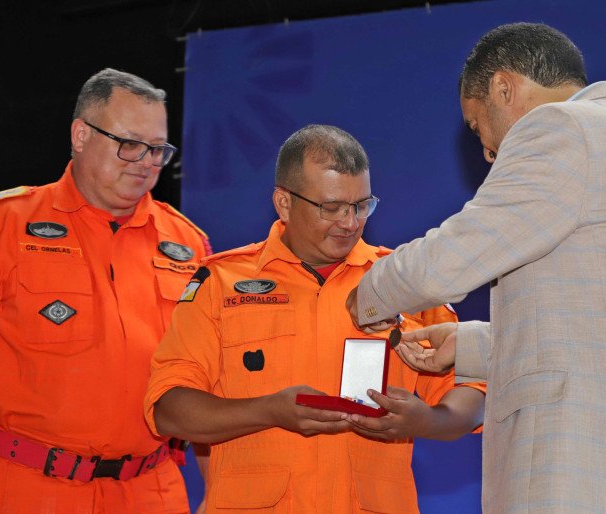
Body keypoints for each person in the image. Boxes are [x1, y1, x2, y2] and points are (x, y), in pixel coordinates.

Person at [346, 22, 606, 512]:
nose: (486, 151)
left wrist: (368, 291)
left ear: (505, 87)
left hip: (590, 481)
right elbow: (600, 334)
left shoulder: (563, 129)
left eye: (478, 125)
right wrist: (469, 345)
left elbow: (453, 259)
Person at [0, 68, 211, 514]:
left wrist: (222, 497)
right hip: (25, 490)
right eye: (130, 143)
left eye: (158, 149)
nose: (145, 161)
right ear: (80, 135)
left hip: (150, 492)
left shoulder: (188, 244)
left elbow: (206, 386)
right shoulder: (3, 224)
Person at [144, 124, 486, 513]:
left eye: (361, 205)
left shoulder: (402, 282)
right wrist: (269, 411)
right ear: (284, 203)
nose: (350, 222)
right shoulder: (221, 283)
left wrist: (424, 421)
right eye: (332, 207)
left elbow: (473, 390)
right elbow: (169, 409)